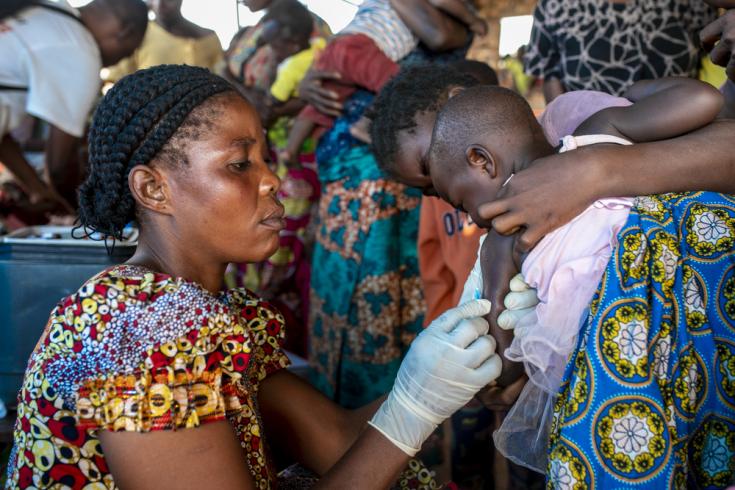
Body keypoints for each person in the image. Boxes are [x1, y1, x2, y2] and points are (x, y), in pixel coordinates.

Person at [5, 64, 508, 489]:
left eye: (265, 159)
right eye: (239, 164)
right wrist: (414, 408)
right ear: (153, 189)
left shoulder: (212, 313)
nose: (273, 180)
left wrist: (446, 371)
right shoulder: (139, 330)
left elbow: (335, 439)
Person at [427, 81, 735, 486]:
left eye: (462, 202)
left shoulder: (504, 234)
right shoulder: (599, 131)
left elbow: (502, 349)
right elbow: (704, 99)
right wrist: (636, 92)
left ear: (482, 161)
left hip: (620, 365)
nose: (473, 220)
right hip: (704, 314)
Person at [304, 2, 472, 408]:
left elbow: (440, 36)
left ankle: (388, 433)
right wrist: (308, 86)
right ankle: (336, 429)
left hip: (390, 182)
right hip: (352, 178)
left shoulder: (444, 19)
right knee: (343, 293)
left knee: (384, 300)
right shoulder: (377, 23)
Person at [280, 0, 487, 163]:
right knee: (396, 83)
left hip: (339, 45)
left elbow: (439, 36)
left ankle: (290, 149)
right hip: (361, 46)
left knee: (319, 103)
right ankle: (365, 124)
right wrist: (473, 20)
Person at [0, 0, 147, 211]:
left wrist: (37, 189)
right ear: (125, 32)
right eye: (126, 54)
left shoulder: (48, 12)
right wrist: (83, 214)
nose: (115, 63)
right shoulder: (80, 51)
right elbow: (59, 167)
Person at [524, 0, 718, 103]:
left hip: (680, 139)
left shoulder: (694, 5)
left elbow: (714, 53)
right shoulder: (556, 6)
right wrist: (568, 136)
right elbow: (550, 75)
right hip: (590, 143)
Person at [104, 0, 223, 82]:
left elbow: (221, 81)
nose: (160, 4)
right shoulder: (139, 34)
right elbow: (117, 81)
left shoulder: (209, 38)